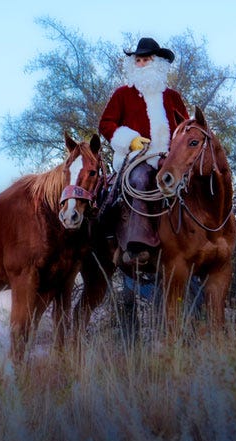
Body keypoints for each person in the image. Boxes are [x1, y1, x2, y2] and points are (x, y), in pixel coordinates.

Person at [99, 37, 189, 269]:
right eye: (137, 60)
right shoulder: (123, 94)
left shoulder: (173, 97)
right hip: (136, 158)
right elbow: (106, 124)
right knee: (141, 179)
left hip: (169, 158)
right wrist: (131, 140)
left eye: (145, 59)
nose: (141, 64)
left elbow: (186, 129)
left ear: (157, 62)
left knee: (190, 183)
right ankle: (139, 244)